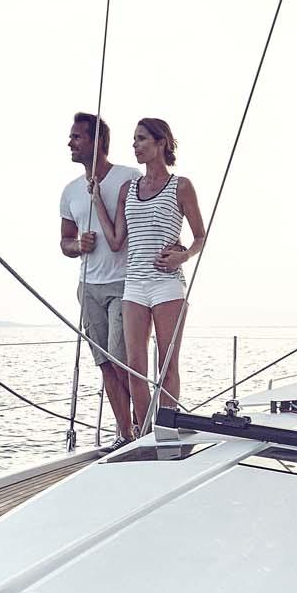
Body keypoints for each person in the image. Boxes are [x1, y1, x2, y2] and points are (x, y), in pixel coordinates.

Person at [91, 117, 205, 431]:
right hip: (134, 286)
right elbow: (116, 240)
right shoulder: (128, 189)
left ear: (161, 142)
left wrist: (184, 255)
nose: (135, 145)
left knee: (166, 366)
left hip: (167, 284)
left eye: (141, 139)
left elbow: (200, 236)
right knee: (134, 368)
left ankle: (165, 433)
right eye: (134, 139)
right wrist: (97, 200)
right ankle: (144, 434)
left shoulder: (181, 186)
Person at [59, 112, 138, 443]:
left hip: (125, 283)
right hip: (89, 287)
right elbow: (64, 242)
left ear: (98, 142)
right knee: (105, 363)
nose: (70, 143)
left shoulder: (128, 177)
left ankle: (143, 425)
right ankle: (125, 436)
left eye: (77, 137)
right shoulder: (70, 191)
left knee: (123, 362)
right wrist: (78, 245)